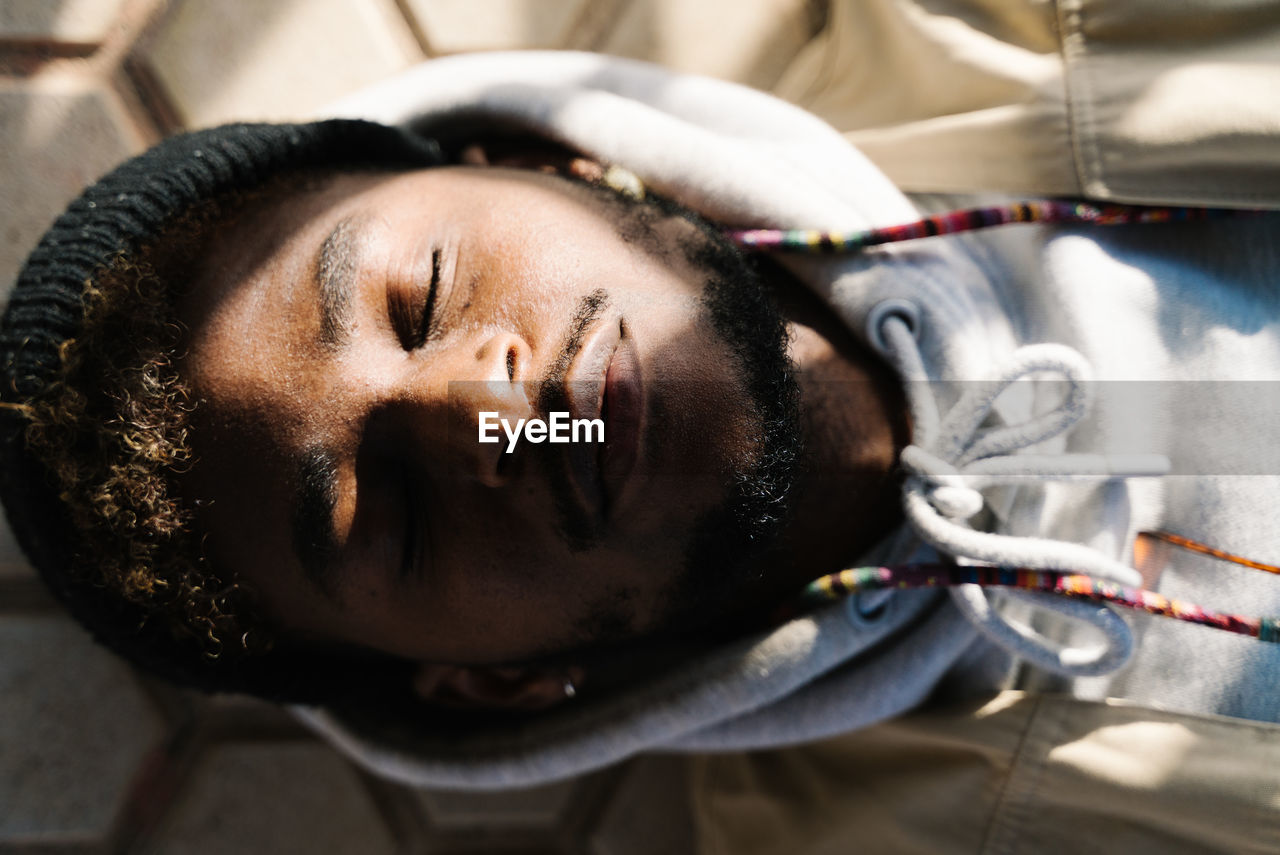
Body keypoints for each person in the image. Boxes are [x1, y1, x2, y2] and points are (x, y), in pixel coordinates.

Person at [3, 45, 1279, 812]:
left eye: (423, 296)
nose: (489, 411)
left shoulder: (1030, 31)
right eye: (386, 514)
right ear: (491, 685)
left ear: (528, 159)